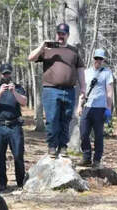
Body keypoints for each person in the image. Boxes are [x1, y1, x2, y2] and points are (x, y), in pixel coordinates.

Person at [27, 23, 86, 159]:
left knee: (66, 119)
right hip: (51, 90)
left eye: (63, 34)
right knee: (52, 119)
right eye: (59, 33)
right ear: (56, 34)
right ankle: (52, 146)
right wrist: (41, 46)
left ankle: (63, 146)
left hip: (69, 90)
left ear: (68, 35)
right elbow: (30, 58)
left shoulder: (73, 51)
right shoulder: (48, 49)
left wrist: (83, 88)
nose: (61, 36)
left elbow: (80, 69)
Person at [0, 63, 28, 190]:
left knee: (18, 155)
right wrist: (0, 92)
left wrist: (14, 91)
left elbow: (24, 102)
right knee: (0, 156)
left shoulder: (18, 87)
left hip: (15, 126)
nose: (6, 76)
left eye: (8, 73)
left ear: (11, 73)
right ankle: (1, 183)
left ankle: (20, 182)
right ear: (0, 74)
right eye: (4, 74)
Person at [79, 48, 115, 168]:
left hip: (100, 108)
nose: (98, 61)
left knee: (98, 135)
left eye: (100, 59)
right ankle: (86, 157)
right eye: (96, 58)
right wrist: (79, 106)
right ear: (93, 58)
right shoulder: (86, 72)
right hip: (87, 106)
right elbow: (83, 90)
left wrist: (108, 108)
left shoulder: (107, 73)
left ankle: (97, 160)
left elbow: (109, 92)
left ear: (103, 60)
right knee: (84, 133)